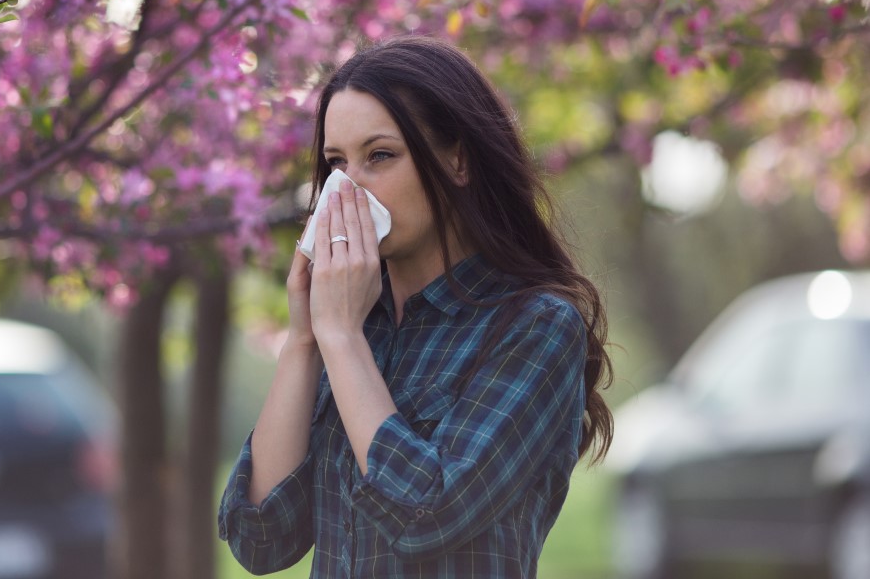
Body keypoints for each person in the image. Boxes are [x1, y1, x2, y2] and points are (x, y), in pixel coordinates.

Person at [218, 36, 613, 577]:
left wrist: (342, 341)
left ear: (457, 160)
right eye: (336, 164)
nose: (347, 191)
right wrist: (307, 340)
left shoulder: (534, 326)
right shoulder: (355, 326)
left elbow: (428, 516)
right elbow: (259, 539)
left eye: (379, 156)